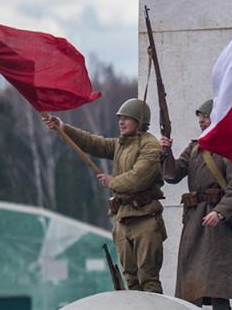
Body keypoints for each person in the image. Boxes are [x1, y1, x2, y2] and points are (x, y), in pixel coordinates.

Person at [43, 100, 165, 292]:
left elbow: (138, 178)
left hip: (145, 219)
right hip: (123, 219)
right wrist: (64, 128)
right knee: (131, 280)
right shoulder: (121, 144)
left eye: (126, 118)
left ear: (140, 121)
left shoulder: (151, 146)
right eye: (120, 118)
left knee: (148, 279)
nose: (121, 122)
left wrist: (112, 182)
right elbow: (93, 142)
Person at [160, 99, 232, 310]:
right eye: (199, 117)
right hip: (194, 221)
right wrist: (165, 152)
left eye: (205, 116)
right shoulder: (196, 147)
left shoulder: (231, 146)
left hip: (217, 225)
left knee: (218, 287)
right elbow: (173, 174)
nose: (201, 120)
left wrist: (220, 213)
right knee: (191, 286)